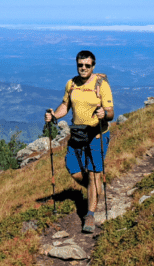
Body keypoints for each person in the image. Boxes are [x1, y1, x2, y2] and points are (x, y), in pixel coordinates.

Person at [45, 50, 114, 233]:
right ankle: (95, 189)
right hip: (78, 135)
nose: (83, 68)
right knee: (73, 169)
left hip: (96, 135)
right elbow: (65, 106)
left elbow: (111, 112)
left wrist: (104, 114)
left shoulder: (101, 85)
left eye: (87, 65)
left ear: (93, 66)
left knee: (92, 173)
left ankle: (89, 214)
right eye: (80, 65)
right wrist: (54, 116)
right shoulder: (72, 84)